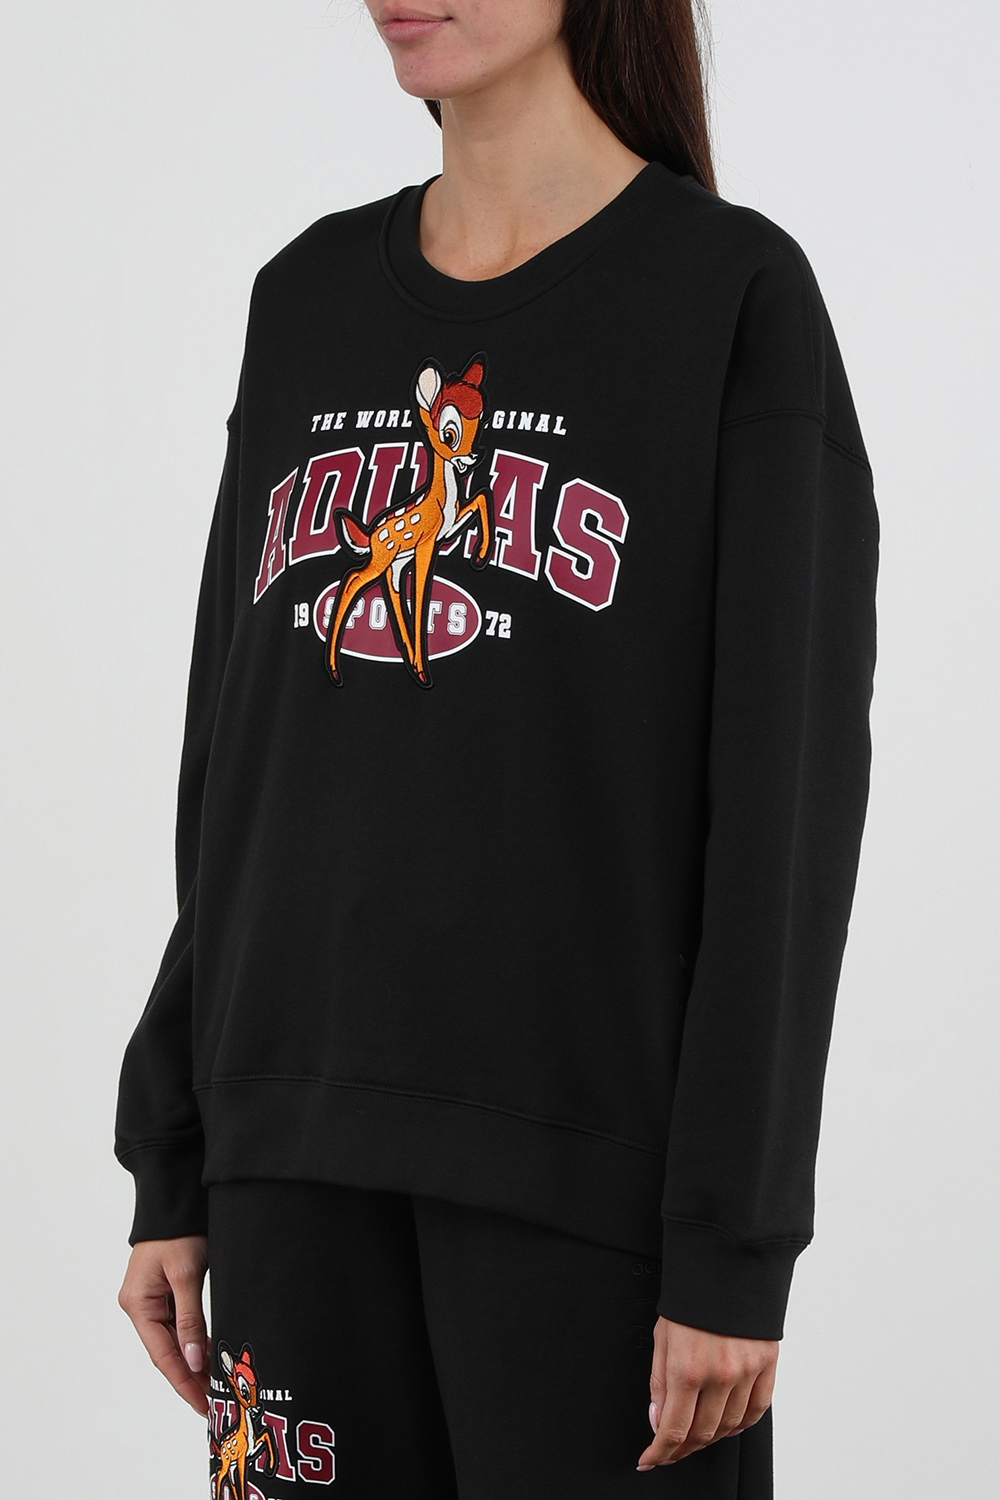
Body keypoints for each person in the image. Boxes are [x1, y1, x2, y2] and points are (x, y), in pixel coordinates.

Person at [114, 2, 879, 1496]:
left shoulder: (727, 297)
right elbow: (238, 759)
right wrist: (177, 1152)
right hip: (292, 1160)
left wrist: (733, 1240)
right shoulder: (305, 296)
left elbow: (783, 812)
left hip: (586, 1186)